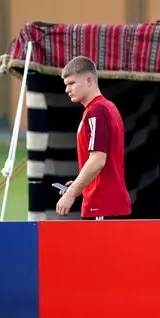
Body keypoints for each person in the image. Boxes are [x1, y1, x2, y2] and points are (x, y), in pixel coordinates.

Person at [57, 56, 131, 220]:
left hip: (102, 204)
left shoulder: (96, 112)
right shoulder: (107, 107)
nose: (67, 90)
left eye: (71, 83)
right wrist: (79, 184)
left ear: (89, 80)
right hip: (110, 203)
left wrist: (71, 194)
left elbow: (98, 160)